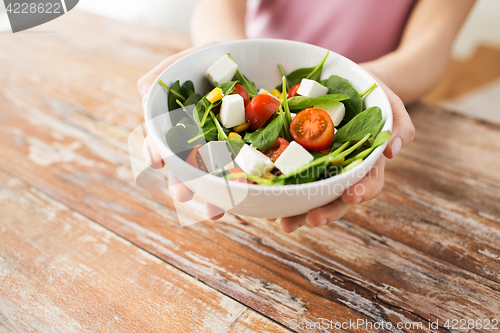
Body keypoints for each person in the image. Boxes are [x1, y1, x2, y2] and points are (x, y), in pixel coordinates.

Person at [138, 0, 476, 232]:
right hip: (254, 51)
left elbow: (432, 43)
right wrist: (226, 53)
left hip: (387, 78)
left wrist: (369, 82)